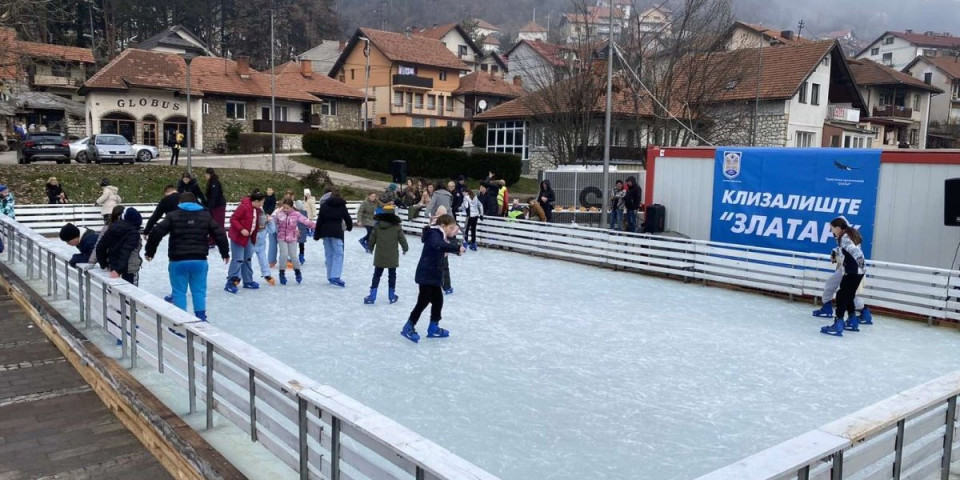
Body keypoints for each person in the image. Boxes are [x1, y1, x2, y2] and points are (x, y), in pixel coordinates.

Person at [145, 192, 230, 321]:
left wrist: (150, 252)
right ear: (195, 203)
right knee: (199, 290)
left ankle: (181, 320)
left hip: (178, 260)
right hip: (199, 260)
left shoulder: (172, 216)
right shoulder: (205, 216)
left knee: (179, 291)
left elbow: (157, 232)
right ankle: (201, 317)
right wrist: (224, 253)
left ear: (180, 203)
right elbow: (220, 234)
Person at [400, 214, 465, 343]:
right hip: (427, 274)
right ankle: (408, 326)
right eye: (450, 227)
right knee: (423, 301)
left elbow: (443, 246)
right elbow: (439, 245)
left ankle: (433, 328)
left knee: (438, 301)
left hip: (433, 274)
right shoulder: (434, 234)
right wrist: (457, 248)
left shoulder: (440, 234)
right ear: (442, 226)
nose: (452, 230)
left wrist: (456, 250)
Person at [814, 217, 873, 324]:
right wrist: (835, 252)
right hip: (853, 268)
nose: (831, 231)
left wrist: (839, 256)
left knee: (844, 295)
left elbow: (851, 251)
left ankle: (859, 314)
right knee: (836, 287)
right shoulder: (848, 235)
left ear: (838, 227)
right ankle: (846, 317)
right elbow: (847, 250)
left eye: (832, 228)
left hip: (853, 269)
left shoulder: (846, 237)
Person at [364, 204, 409, 304]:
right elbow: (402, 239)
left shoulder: (377, 226)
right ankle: (391, 295)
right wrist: (405, 248)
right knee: (392, 275)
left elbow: (372, 238)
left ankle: (372, 295)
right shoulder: (397, 227)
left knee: (377, 274)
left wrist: (370, 248)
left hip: (380, 255)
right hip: (392, 256)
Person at [224, 191, 266, 293]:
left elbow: (256, 223)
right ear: (256, 201)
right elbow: (234, 219)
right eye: (262, 202)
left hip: (248, 238)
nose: (262, 204)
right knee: (238, 259)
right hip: (238, 237)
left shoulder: (258, 210)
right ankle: (231, 282)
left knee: (247, 259)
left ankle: (248, 280)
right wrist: (241, 229)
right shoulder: (244, 207)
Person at [313, 188, 353, 286]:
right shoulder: (341, 206)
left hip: (325, 232)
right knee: (338, 254)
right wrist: (349, 227)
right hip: (336, 232)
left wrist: (316, 234)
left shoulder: (324, 205)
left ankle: (330, 276)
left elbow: (320, 220)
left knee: (329, 254)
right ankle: (335, 276)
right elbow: (347, 218)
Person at [95, 207, 143, 285]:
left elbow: (101, 246)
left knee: (113, 294)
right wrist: (118, 270)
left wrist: (104, 264)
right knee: (130, 293)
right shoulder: (133, 233)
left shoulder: (112, 228)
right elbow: (125, 252)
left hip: (112, 266)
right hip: (128, 269)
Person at [274, 198, 316, 285]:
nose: (285, 210)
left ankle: (297, 272)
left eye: (287, 208)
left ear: (291, 207)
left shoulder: (296, 214)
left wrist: (315, 226)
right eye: (284, 208)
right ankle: (282, 273)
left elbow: (306, 221)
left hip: (292, 238)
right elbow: (274, 223)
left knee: (293, 256)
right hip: (282, 237)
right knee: (284, 255)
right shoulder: (279, 214)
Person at [251, 189, 276, 286]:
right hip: (251, 244)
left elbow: (272, 230)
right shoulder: (253, 218)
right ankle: (238, 276)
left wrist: (270, 221)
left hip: (261, 245)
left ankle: (267, 275)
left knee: (263, 260)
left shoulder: (264, 223)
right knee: (245, 260)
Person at [205, 168, 227, 247]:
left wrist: (210, 207)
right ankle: (213, 239)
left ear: (210, 174)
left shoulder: (215, 183)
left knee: (218, 224)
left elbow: (214, 196)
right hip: (215, 206)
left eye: (207, 174)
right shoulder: (211, 182)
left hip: (218, 206)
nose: (205, 176)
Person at [0, 184, 11, 253]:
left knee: (1, 248)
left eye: (7, 192)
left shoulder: (8, 198)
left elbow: (8, 207)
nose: (6, 194)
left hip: (6, 217)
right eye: (5, 192)